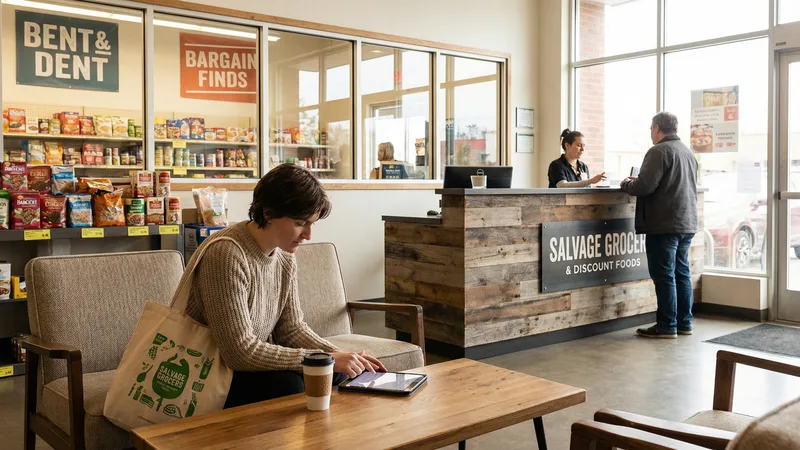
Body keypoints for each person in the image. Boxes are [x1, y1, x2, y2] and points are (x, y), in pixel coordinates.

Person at [184, 163, 386, 408]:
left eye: (312, 223)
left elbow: (291, 329)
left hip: (241, 366)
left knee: (340, 373)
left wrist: (341, 356)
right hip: (206, 372)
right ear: (268, 214)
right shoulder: (226, 254)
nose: (308, 234)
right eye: (301, 223)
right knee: (292, 385)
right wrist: (326, 359)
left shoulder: (284, 257)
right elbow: (239, 352)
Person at [620, 112, 698, 339]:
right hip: (687, 222)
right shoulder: (687, 152)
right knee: (682, 273)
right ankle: (685, 323)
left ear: (656, 128)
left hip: (664, 225)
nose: (650, 133)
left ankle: (666, 326)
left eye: (650, 129)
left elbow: (644, 187)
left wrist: (627, 183)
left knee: (664, 275)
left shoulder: (659, 151)